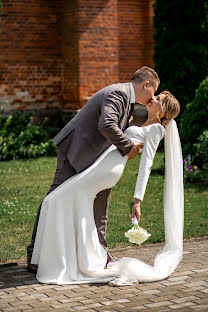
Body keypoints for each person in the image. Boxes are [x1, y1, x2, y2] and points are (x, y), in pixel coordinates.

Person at [31, 91, 184, 285]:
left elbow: (147, 165)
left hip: (110, 169)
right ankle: (80, 257)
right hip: (103, 164)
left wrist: (138, 201)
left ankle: (73, 261)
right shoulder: (143, 123)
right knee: (60, 201)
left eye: (159, 100)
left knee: (57, 199)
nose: (153, 98)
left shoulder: (156, 130)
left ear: (163, 112)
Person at [27, 66, 160, 273]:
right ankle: (35, 254)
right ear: (146, 85)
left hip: (97, 161)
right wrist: (129, 147)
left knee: (101, 200)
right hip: (75, 151)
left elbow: (126, 129)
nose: (153, 96)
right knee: (54, 198)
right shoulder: (119, 93)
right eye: (154, 90)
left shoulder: (129, 100)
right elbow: (106, 124)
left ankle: (100, 251)